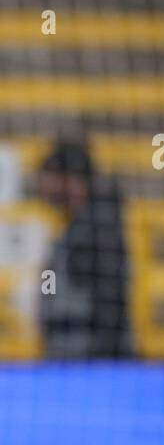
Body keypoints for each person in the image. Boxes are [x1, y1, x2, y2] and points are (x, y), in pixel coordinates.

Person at [35, 141, 133, 360]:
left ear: (71, 180)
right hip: (69, 358)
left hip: (89, 361)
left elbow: (110, 298)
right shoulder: (73, 228)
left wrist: (101, 358)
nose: (44, 187)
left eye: (51, 177)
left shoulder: (100, 226)